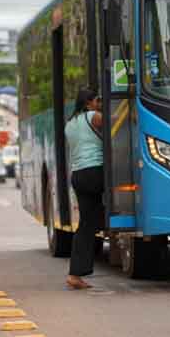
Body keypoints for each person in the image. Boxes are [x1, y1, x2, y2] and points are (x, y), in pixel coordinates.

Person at [64, 88, 104, 289]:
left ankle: (75, 274)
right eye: (98, 100)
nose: (100, 103)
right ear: (89, 103)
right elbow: (118, 124)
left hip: (78, 175)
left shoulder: (70, 124)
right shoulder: (93, 117)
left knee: (86, 225)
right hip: (95, 172)